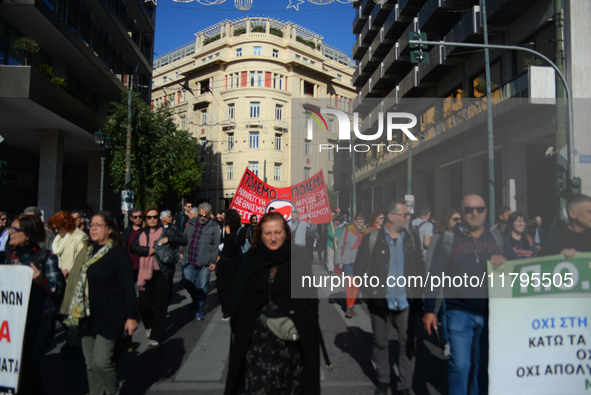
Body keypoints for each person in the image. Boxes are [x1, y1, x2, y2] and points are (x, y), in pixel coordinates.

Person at [423, 195, 517, 395]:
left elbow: (517, 268)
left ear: (486, 211)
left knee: (482, 366)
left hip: (490, 313)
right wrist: (429, 309)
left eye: (480, 209)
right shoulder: (448, 239)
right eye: (469, 209)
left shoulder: (497, 238)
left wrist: (505, 262)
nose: (475, 213)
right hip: (459, 312)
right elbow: (435, 275)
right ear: (462, 212)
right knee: (460, 366)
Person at [224, 212, 320, 395]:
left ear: (286, 233)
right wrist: (240, 327)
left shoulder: (298, 257)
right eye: (268, 233)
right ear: (261, 234)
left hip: (291, 344)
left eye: (277, 232)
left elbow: (310, 298)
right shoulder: (250, 260)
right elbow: (237, 299)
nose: (273, 238)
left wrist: (310, 329)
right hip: (257, 344)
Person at [63, 211, 138, 395]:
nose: (93, 228)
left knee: (101, 362)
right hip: (87, 315)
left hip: (111, 316)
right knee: (90, 364)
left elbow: (129, 288)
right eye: (92, 224)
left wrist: (132, 316)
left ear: (110, 229)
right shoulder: (86, 251)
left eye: (99, 225)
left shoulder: (118, 254)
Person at [354, 200, 425, 395]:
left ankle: (404, 385)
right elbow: (359, 270)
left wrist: (418, 294)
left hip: (405, 300)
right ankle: (383, 380)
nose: (408, 218)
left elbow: (419, 268)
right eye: (404, 215)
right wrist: (372, 291)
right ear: (392, 217)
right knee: (380, 342)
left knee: (407, 343)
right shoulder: (372, 239)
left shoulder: (411, 238)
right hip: (381, 301)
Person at [4, 214, 64, 394]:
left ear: (29, 234)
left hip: (39, 321)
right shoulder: (10, 255)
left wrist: (41, 280)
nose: (10, 232)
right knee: (16, 367)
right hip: (14, 321)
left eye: (15, 229)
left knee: (30, 365)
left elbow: (58, 289)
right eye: (10, 228)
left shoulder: (46, 257)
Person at [130, 206, 187, 345]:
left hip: (163, 272)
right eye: (149, 217)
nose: (152, 219)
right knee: (143, 304)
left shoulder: (167, 230)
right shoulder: (142, 233)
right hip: (145, 271)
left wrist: (169, 239)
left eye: (155, 217)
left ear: (159, 218)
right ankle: (150, 325)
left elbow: (183, 240)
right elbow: (132, 247)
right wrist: (146, 250)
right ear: (145, 219)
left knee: (161, 305)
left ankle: (157, 335)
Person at [424, 208, 461, 359]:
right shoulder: (439, 238)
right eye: (455, 219)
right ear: (447, 221)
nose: (459, 222)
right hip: (445, 284)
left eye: (460, 219)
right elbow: (430, 263)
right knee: (446, 314)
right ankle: (447, 342)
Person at [179, 202, 220, 320]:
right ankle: (196, 301)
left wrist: (213, 261)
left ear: (209, 215)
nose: (202, 217)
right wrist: (181, 251)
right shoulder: (191, 223)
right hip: (190, 259)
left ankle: (199, 309)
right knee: (187, 282)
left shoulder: (214, 227)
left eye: (205, 216)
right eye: (200, 215)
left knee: (203, 286)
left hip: (205, 263)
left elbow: (216, 245)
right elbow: (185, 238)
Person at [216, 209, 246, 320]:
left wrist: (228, 233)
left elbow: (234, 244)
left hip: (235, 262)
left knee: (233, 287)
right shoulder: (224, 229)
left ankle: (235, 308)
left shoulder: (241, 230)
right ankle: (226, 310)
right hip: (223, 261)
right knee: (222, 287)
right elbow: (222, 244)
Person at [336, 212, 367, 318]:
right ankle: (349, 308)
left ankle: (351, 305)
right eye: (359, 222)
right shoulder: (347, 230)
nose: (361, 224)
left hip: (360, 262)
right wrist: (339, 261)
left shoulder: (365, 232)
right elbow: (340, 246)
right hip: (347, 260)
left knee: (356, 284)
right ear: (354, 221)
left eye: (362, 222)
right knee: (350, 283)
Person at [122, 207, 143, 281]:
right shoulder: (127, 231)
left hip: (143, 266)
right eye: (135, 217)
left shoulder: (146, 231)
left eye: (140, 216)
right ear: (131, 218)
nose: (138, 218)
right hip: (129, 266)